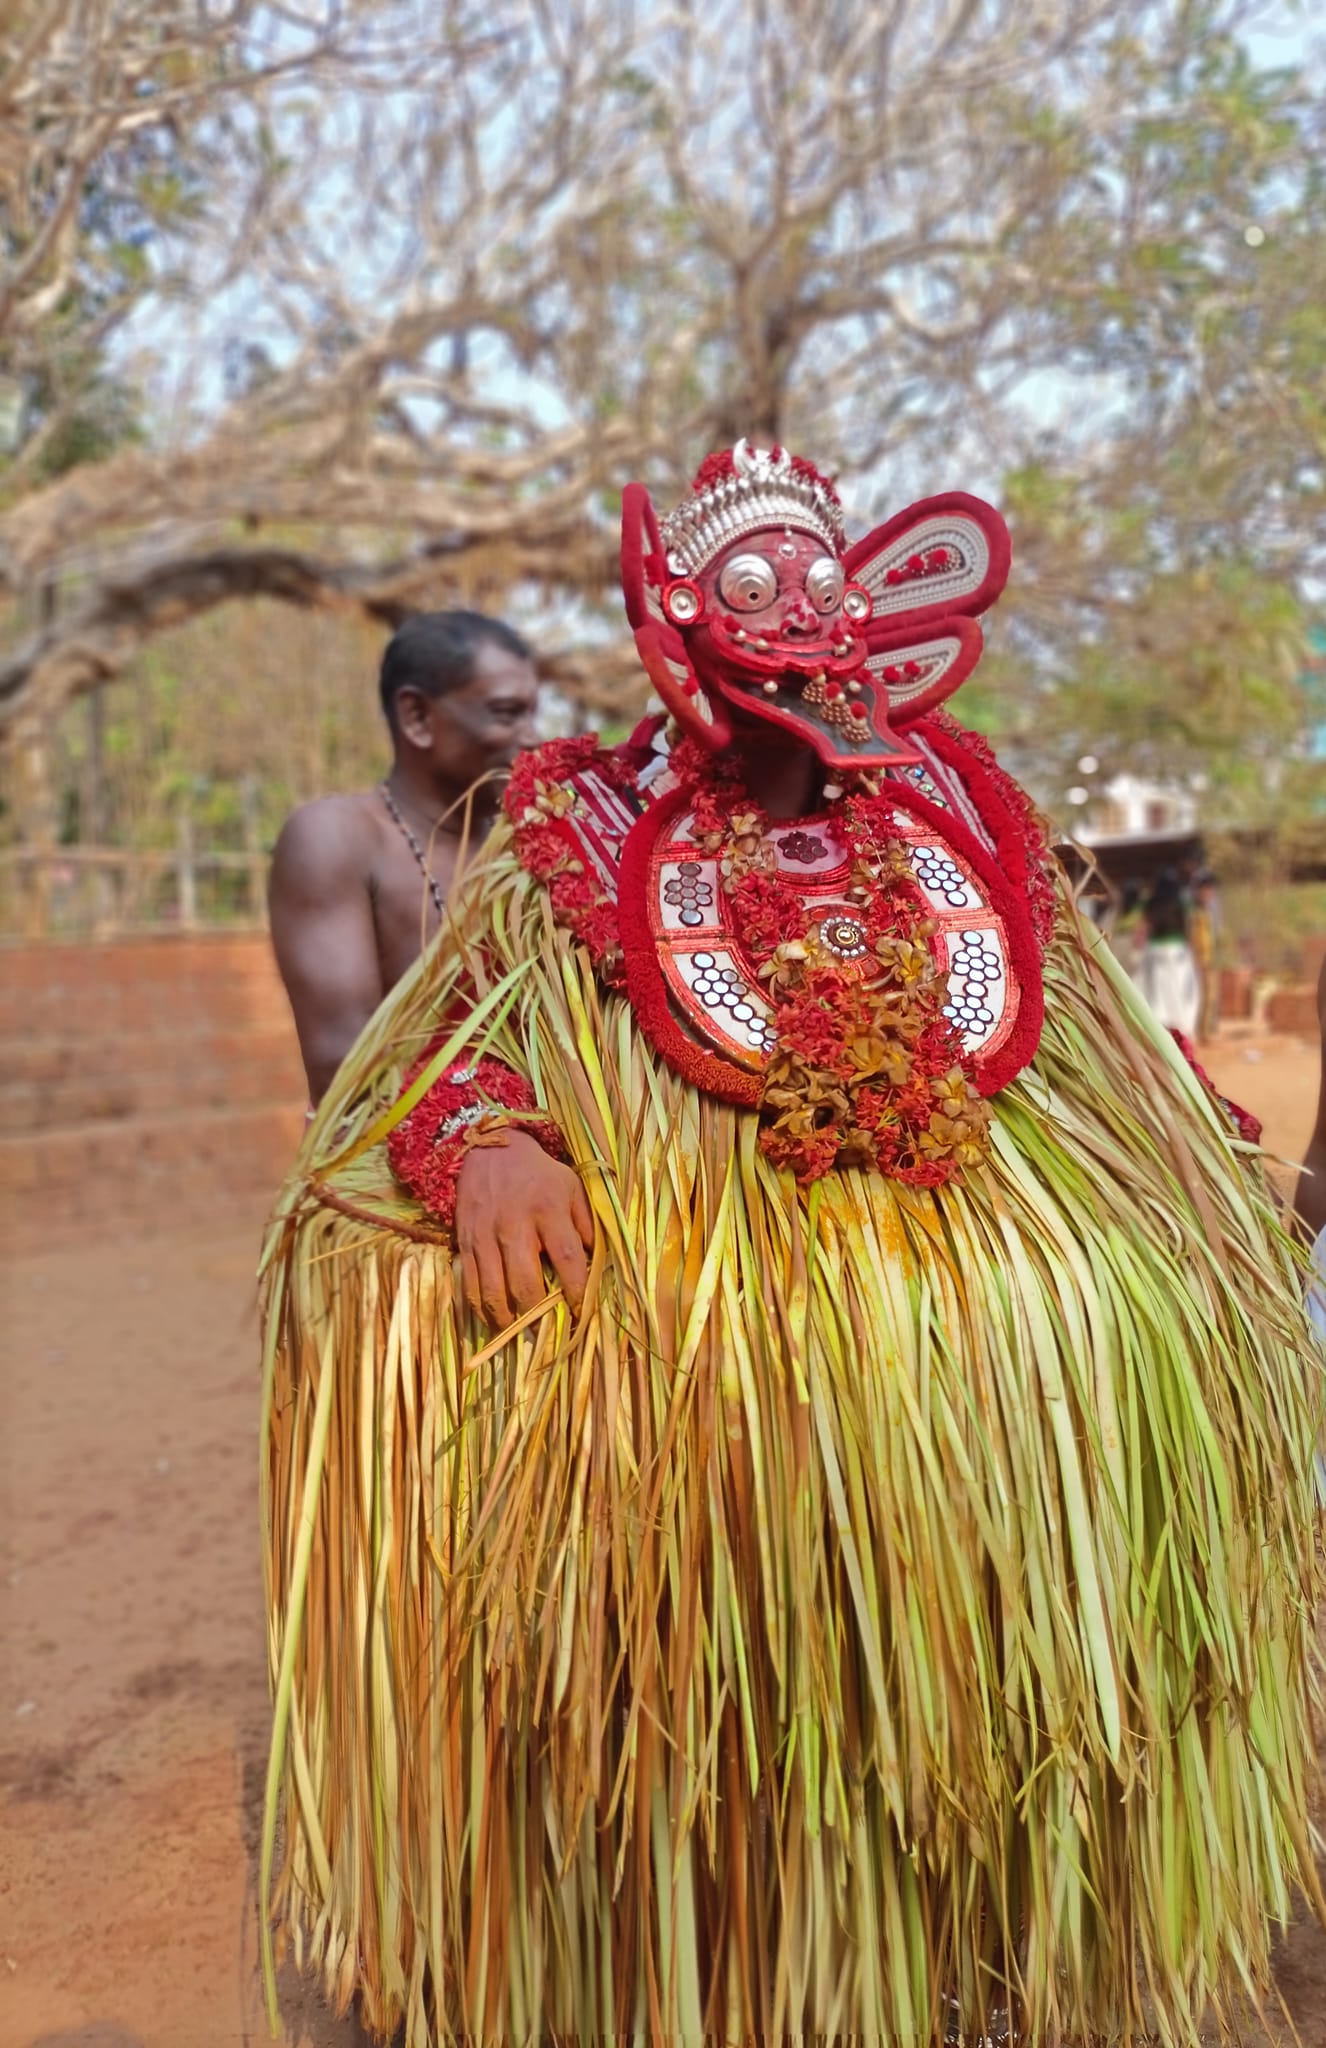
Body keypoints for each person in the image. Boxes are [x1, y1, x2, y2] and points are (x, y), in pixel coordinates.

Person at [259, 442, 1322, 2048]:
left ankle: (1007, 1958)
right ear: (676, 618)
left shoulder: (962, 809)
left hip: (1000, 1446)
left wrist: (1211, 1172)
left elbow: (1121, 1055)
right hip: (733, 1443)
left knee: (1122, 1356)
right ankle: (715, 1963)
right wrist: (487, 1143)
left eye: (826, 583)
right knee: (634, 1433)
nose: (801, 621)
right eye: (754, 591)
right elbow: (416, 1061)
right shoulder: (583, 825)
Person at [268, 609, 539, 1105]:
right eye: (506, 713)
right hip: (399, 1166)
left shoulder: (532, 845)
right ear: (417, 717)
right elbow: (345, 1066)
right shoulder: (337, 838)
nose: (532, 737)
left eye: (531, 714)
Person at [1131, 869, 1201, 1038]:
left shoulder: (1150, 902)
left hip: (1155, 954)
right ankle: (1183, 1035)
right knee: (1182, 997)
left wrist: (1138, 950)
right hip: (1179, 953)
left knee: (1156, 998)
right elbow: (1190, 928)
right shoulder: (1183, 902)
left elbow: (1141, 931)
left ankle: (1160, 1036)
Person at [1189, 866, 1222, 1040]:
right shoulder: (1195, 912)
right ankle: (1200, 1031)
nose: (1210, 893)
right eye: (1207, 889)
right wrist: (1197, 959)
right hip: (1199, 960)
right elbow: (1194, 938)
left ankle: (1206, 1030)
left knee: (1211, 995)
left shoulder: (1209, 911)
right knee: (1202, 996)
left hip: (1209, 958)